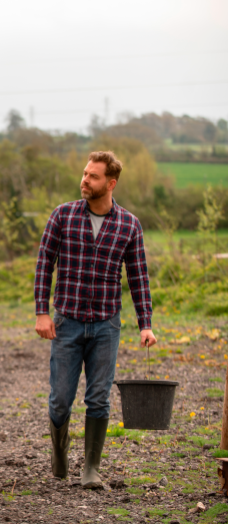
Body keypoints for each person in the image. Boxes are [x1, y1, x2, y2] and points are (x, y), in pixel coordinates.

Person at [34, 151, 156, 489]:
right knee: (60, 397)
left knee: (98, 397)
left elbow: (139, 277)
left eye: (93, 176)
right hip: (67, 321)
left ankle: (91, 469)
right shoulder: (63, 215)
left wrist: (145, 323)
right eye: (85, 174)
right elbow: (45, 263)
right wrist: (41, 312)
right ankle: (60, 457)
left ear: (111, 183)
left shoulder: (129, 224)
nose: (85, 180)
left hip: (106, 323)